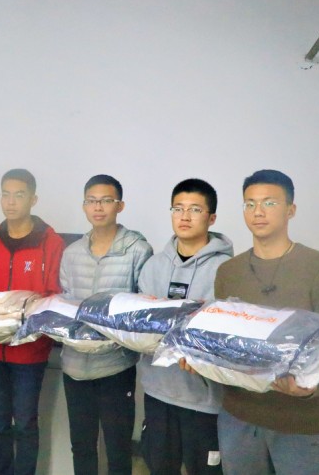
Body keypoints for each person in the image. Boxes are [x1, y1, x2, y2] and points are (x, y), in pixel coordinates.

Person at [210, 169, 319, 475]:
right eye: (250, 204)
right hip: (238, 417)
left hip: (300, 421)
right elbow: (222, 340)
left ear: (291, 209)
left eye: (269, 203)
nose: (258, 211)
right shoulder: (228, 271)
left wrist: (311, 388)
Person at [0, 168, 65, 475]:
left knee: (24, 422)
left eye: (19, 195)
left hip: (30, 351)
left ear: (33, 199)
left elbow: (54, 295)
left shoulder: (52, 244)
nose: (11, 202)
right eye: (5, 194)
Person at [137, 178, 233, 475]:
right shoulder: (153, 265)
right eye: (178, 208)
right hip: (158, 391)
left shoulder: (226, 270)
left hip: (204, 400)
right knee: (159, 467)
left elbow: (225, 333)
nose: (185, 216)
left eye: (195, 209)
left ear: (211, 218)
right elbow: (141, 324)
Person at [60, 174, 153, 475]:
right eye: (91, 201)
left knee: (118, 445)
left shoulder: (137, 250)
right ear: (84, 206)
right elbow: (65, 303)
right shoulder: (72, 253)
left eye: (106, 200)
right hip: (74, 365)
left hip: (115, 365)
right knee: (81, 444)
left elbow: (144, 308)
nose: (98, 207)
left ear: (119, 205)